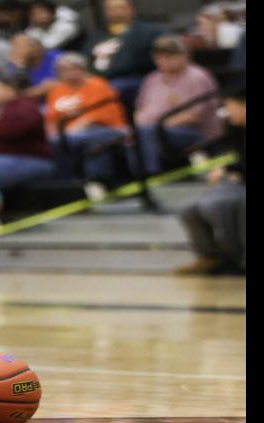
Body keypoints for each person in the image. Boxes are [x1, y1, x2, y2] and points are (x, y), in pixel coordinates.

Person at [174, 87, 244, 275]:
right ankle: (209, 257)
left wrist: (230, 170)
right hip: (238, 182)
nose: (227, 112)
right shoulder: (235, 129)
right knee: (189, 209)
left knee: (219, 205)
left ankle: (236, 258)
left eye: (230, 106)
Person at [133, 36, 222, 173]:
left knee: (148, 131)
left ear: (184, 55)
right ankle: (133, 176)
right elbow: (139, 108)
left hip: (195, 132)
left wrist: (159, 126)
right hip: (154, 129)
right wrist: (141, 122)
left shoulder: (197, 76)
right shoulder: (152, 78)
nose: (163, 60)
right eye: (158, 57)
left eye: (169, 56)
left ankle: (151, 173)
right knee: (131, 133)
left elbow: (195, 116)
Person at [44, 53, 128, 191]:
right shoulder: (57, 90)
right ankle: (64, 185)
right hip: (66, 131)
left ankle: (96, 181)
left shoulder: (97, 84)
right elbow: (51, 118)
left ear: (83, 69)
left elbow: (102, 112)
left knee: (89, 138)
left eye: (73, 68)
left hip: (104, 128)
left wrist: (78, 125)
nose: (69, 73)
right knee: (52, 141)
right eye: (64, 70)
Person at [89, 0, 167, 107]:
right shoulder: (97, 36)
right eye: (110, 8)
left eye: (119, 7)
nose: (115, 11)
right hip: (101, 81)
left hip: (139, 78)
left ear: (131, 9)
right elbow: (86, 60)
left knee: (111, 89)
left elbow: (159, 57)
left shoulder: (149, 32)